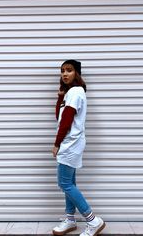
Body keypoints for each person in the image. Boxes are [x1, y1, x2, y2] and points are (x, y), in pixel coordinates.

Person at [52, 60, 106, 236]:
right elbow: (58, 117)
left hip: (70, 142)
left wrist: (56, 144)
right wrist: (60, 95)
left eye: (69, 70)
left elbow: (66, 121)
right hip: (72, 142)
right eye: (62, 71)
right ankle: (70, 219)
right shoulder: (71, 93)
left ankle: (93, 221)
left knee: (64, 183)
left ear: (77, 73)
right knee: (70, 183)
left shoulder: (75, 92)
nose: (65, 74)